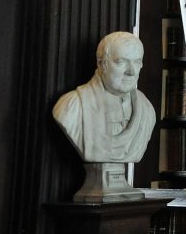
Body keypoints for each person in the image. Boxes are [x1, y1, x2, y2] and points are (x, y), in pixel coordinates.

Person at [53, 31, 155, 163]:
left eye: (137, 62)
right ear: (101, 64)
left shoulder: (146, 110)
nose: (131, 72)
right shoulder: (72, 107)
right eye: (121, 62)